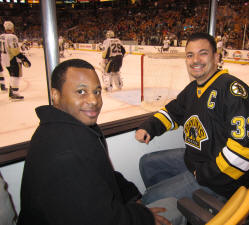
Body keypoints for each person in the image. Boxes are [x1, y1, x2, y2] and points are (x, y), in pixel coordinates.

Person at [17, 59, 186, 225]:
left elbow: (103, 176)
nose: (93, 101)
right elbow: (101, 219)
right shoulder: (64, 153)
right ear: (56, 95)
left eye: (97, 91)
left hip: (103, 212)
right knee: (175, 208)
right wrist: (143, 217)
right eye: (81, 92)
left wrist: (132, 197)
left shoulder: (74, 130)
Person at [135, 32, 249, 205]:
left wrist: (203, 174)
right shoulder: (194, 88)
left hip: (221, 182)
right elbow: (173, 112)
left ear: (216, 58)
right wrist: (149, 127)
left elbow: (245, 151)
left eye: (203, 53)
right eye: (190, 55)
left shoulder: (233, 91)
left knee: (149, 200)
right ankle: (176, 212)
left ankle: (179, 208)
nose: (195, 60)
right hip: (196, 161)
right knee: (148, 164)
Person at [0, 21, 31, 100]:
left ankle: (11, 92)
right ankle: (14, 93)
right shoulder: (12, 37)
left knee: (11, 75)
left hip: (4, 59)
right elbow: (15, 51)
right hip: (11, 58)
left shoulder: (1, 36)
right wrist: (24, 58)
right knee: (15, 75)